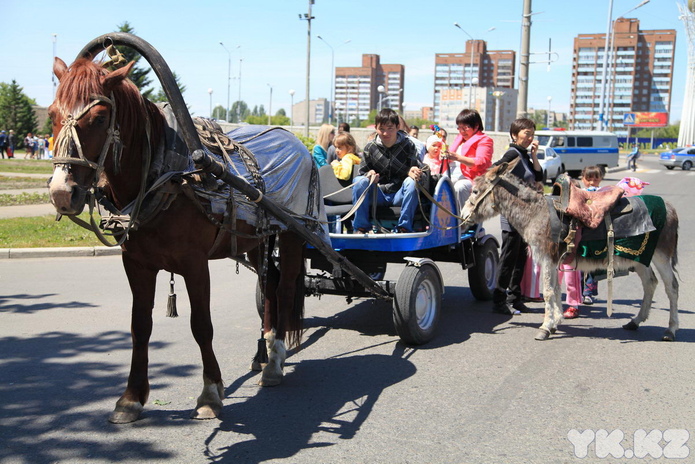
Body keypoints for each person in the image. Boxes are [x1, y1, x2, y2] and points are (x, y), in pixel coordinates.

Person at [491, 118, 543, 315]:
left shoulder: (524, 155)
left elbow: (539, 179)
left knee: (520, 256)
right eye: (526, 134)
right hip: (513, 215)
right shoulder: (512, 153)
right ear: (514, 134)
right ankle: (499, 300)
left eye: (532, 134)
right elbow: (494, 171)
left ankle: (515, 297)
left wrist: (535, 156)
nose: (529, 138)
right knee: (508, 257)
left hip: (526, 216)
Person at [352, 108, 423, 234]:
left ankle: (404, 227)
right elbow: (362, 172)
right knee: (359, 181)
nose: (385, 133)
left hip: (399, 193)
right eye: (382, 129)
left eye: (390, 128)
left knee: (411, 183)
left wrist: (413, 171)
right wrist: (369, 176)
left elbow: (414, 169)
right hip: (377, 193)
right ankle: (361, 227)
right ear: (376, 128)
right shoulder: (370, 147)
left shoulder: (408, 145)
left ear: (397, 127)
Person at [447, 109, 494, 211]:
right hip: (452, 175)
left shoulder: (485, 140)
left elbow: (481, 163)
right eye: (459, 128)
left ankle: (465, 221)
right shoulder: (459, 139)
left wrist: (458, 158)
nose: (462, 132)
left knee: (460, 187)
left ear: (476, 126)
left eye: (465, 128)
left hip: (473, 179)